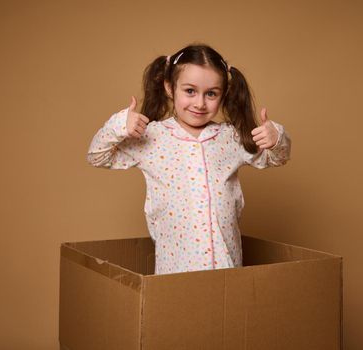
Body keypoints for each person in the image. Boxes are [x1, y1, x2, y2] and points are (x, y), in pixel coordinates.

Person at [87, 43, 291, 275]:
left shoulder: (231, 138)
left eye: (211, 93)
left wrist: (276, 138)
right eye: (190, 91)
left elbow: (275, 159)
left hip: (227, 267)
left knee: (227, 312)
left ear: (223, 95)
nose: (200, 103)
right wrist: (119, 125)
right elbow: (97, 156)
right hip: (175, 270)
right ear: (169, 87)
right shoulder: (151, 136)